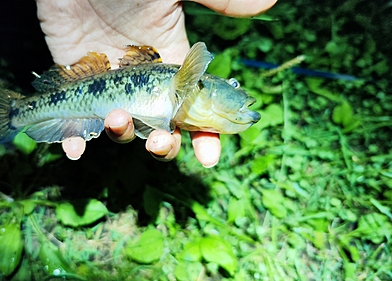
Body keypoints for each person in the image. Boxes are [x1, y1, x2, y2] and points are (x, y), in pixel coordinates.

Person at [35, 0, 276, 168]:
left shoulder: (184, 97)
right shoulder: (186, 82)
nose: (237, 91)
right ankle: (20, 112)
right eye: (232, 84)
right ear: (197, 79)